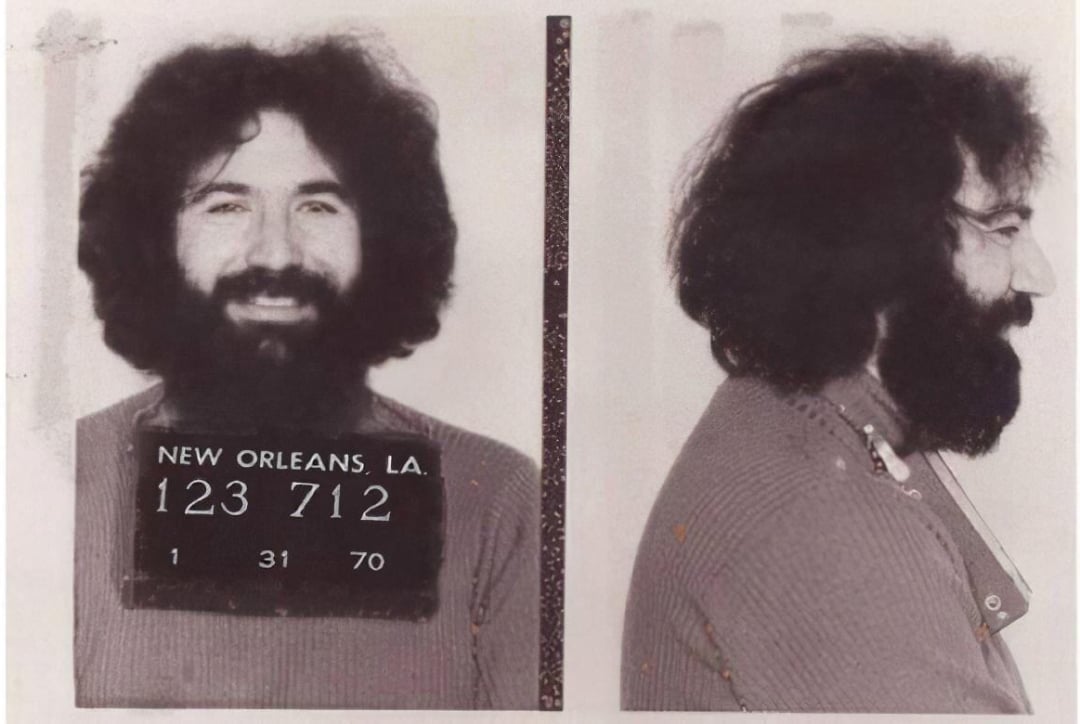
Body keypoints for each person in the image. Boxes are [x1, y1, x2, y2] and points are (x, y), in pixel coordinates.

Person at [76, 36, 539, 709]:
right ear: (152, 239)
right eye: (226, 205)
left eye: (318, 206)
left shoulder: (496, 500)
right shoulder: (62, 483)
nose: (276, 254)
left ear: (384, 239)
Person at [622, 40, 1055, 713]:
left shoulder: (801, 434)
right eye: (1003, 228)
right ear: (878, 245)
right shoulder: (813, 523)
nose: (1038, 276)